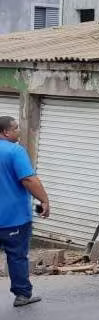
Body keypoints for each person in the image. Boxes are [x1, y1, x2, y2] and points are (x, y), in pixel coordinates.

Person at [0, 116, 50, 307]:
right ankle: (22, 295)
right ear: (6, 132)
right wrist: (44, 200)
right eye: (16, 128)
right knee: (17, 256)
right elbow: (29, 180)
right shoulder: (15, 151)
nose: (19, 131)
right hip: (13, 218)